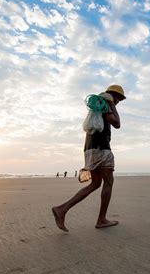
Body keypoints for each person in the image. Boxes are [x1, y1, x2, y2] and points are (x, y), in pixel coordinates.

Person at [52, 84, 125, 232]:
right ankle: (102, 219)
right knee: (108, 182)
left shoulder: (97, 105)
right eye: (118, 99)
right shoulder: (106, 105)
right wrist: (112, 104)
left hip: (89, 149)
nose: (118, 102)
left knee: (95, 183)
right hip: (101, 149)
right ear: (114, 96)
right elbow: (117, 124)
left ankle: (62, 209)